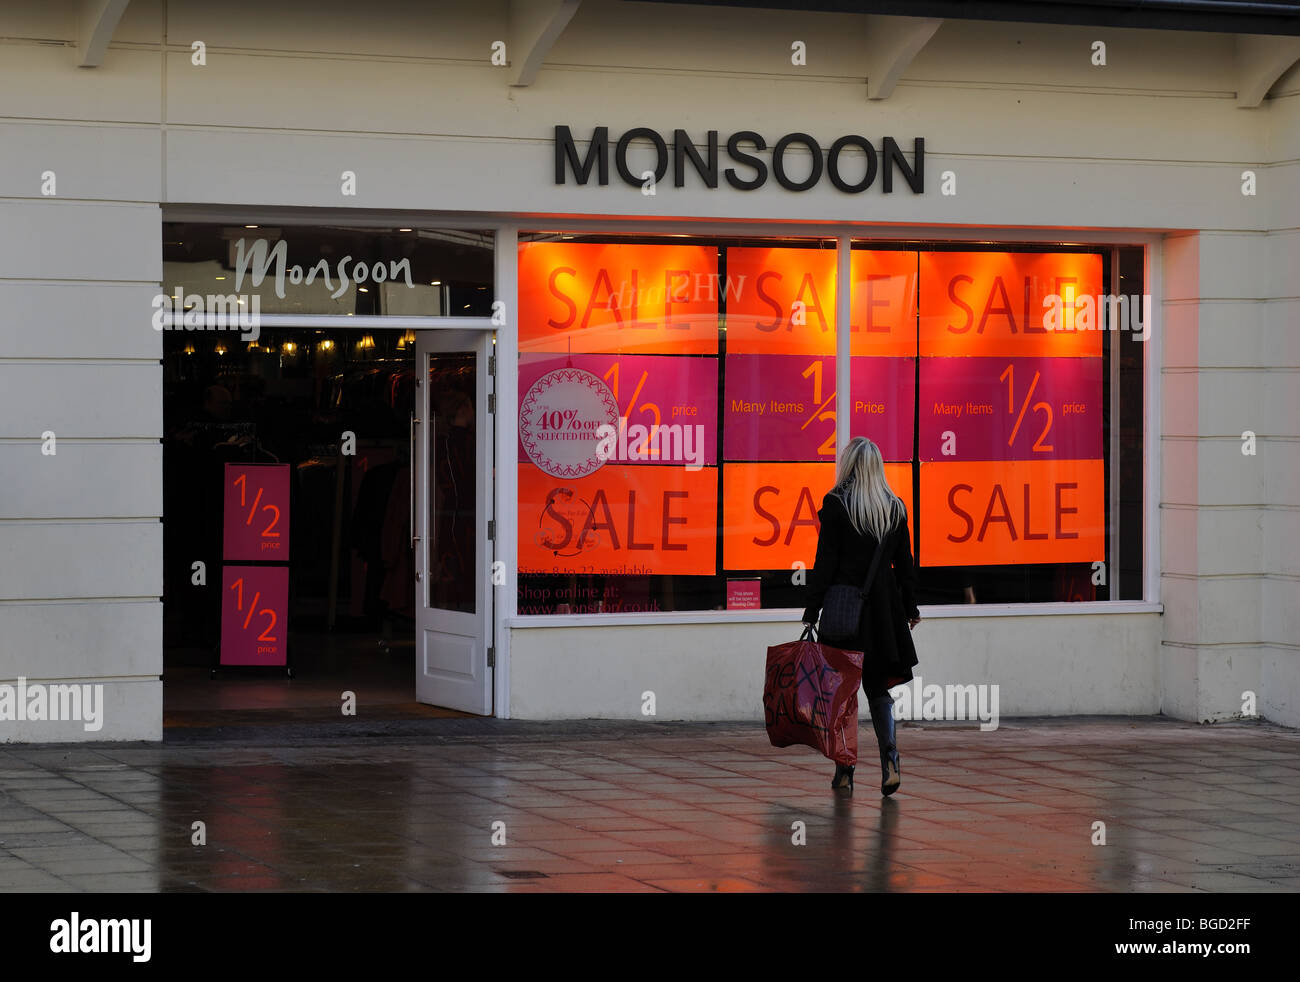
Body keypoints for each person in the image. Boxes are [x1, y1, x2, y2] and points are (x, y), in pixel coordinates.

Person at [802, 436, 921, 796]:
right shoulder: (894, 508)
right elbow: (905, 567)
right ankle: (891, 760)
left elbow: (825, 565)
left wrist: (812, 610)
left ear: (849, 465)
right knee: (877, 689)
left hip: (844, 613)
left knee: (844, 692)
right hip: (883, 614)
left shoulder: (837, 505)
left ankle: (845, 771)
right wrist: (911, 609)